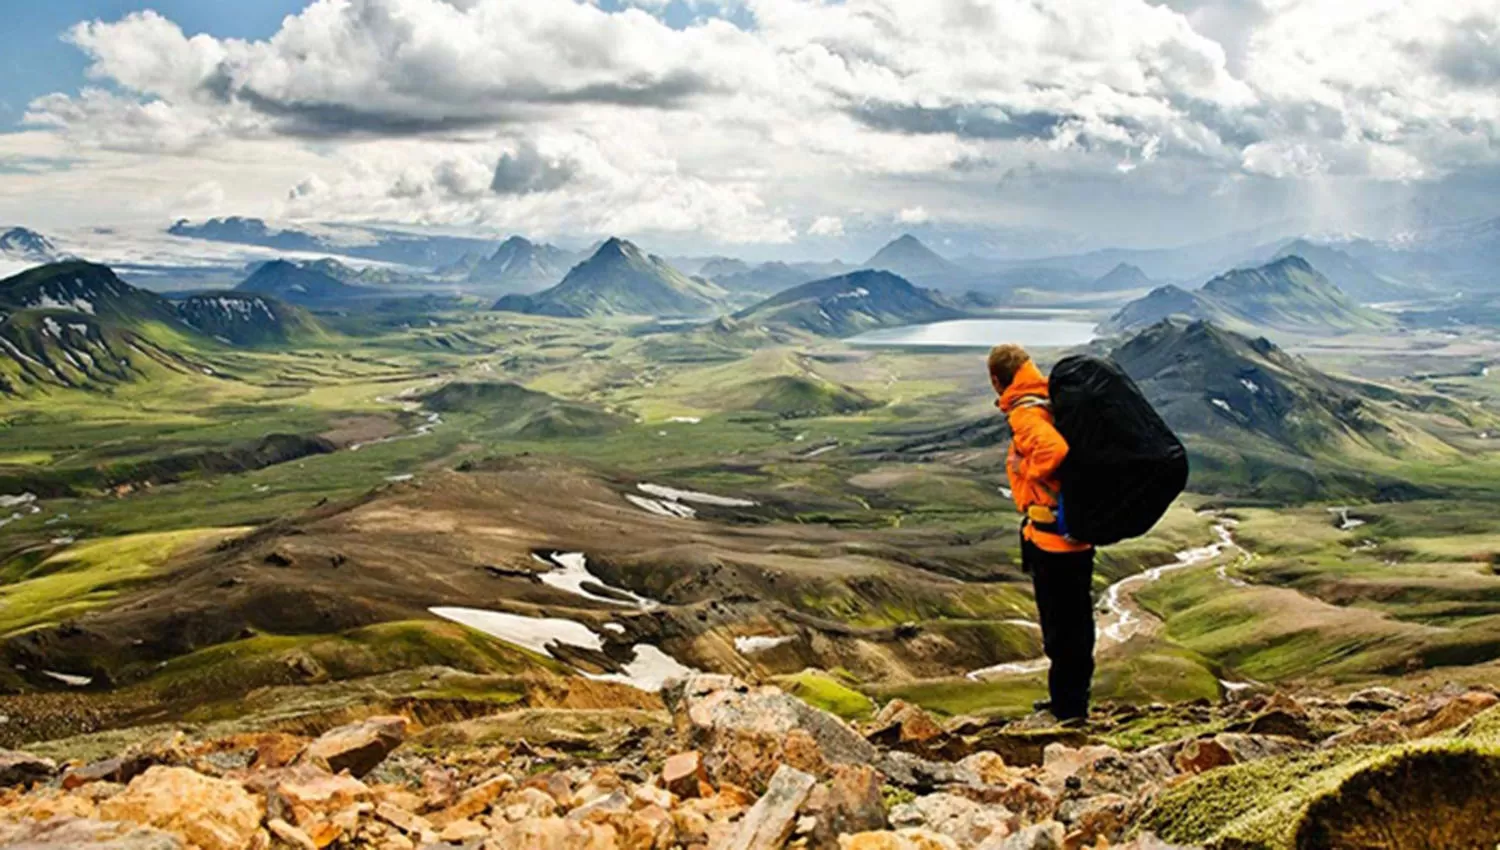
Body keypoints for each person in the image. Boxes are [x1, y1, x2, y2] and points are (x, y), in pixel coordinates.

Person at [988, 343, 1096, 722]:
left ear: (997, 380)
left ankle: (1070, 709)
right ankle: (1068, 699)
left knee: (1061, 627)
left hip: (1054, 541)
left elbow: (1053, 451)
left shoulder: (1026, 412)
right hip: (1071, 533)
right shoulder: (1047, 398)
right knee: (1074, 622)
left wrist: (1025, 470)